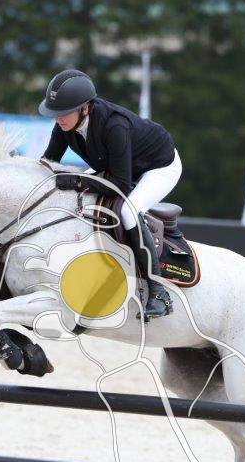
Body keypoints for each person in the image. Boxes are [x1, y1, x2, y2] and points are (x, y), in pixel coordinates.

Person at [38, 69, 178, 321]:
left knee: (128, 212)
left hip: (158, 166)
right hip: (118, 166)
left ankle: (158, 291)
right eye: (55, 113)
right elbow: (48, 163)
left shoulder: (114, 125)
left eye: (64, 112)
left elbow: (121, 185)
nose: (58, 119)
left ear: (85, 108)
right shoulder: (64, 125)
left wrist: (77, 180)